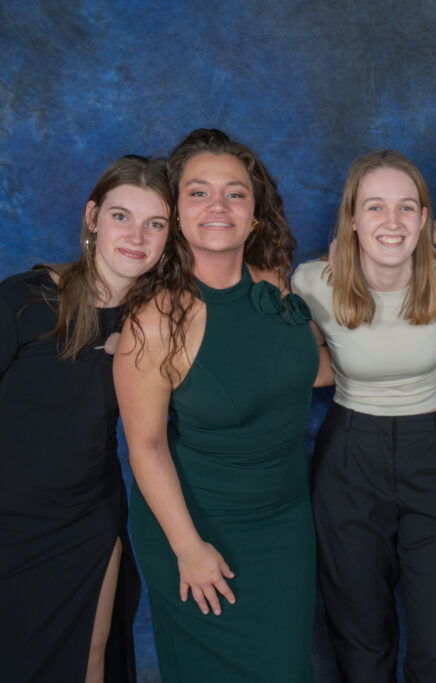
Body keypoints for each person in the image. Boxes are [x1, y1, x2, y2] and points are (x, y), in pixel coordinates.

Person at [114, 129, 319, 682]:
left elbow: (295, 372)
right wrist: (189, 548)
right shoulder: (155, 322)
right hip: (198, 531)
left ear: (255, 212)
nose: (218, 206)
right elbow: (145, 446)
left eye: (235, 192)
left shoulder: (274, 285)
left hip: (286, 523)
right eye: (198, 192)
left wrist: (396, 363)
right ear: (176, 214)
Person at [290, 150, 436, 682]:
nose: (392, 221)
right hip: (349, 459)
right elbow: (290, 368)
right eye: (374, 207)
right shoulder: (312, 283)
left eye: (406, 207)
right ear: (352, 218)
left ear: (424, 218)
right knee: (361, 645)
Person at [0, 155, 171, 683]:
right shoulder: (24, 300)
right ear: (93, 217)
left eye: (155, 223)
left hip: (88, 524)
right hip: (8, 524)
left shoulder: (157, 322)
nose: (136, 236)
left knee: (88, 663)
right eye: (121, 216)